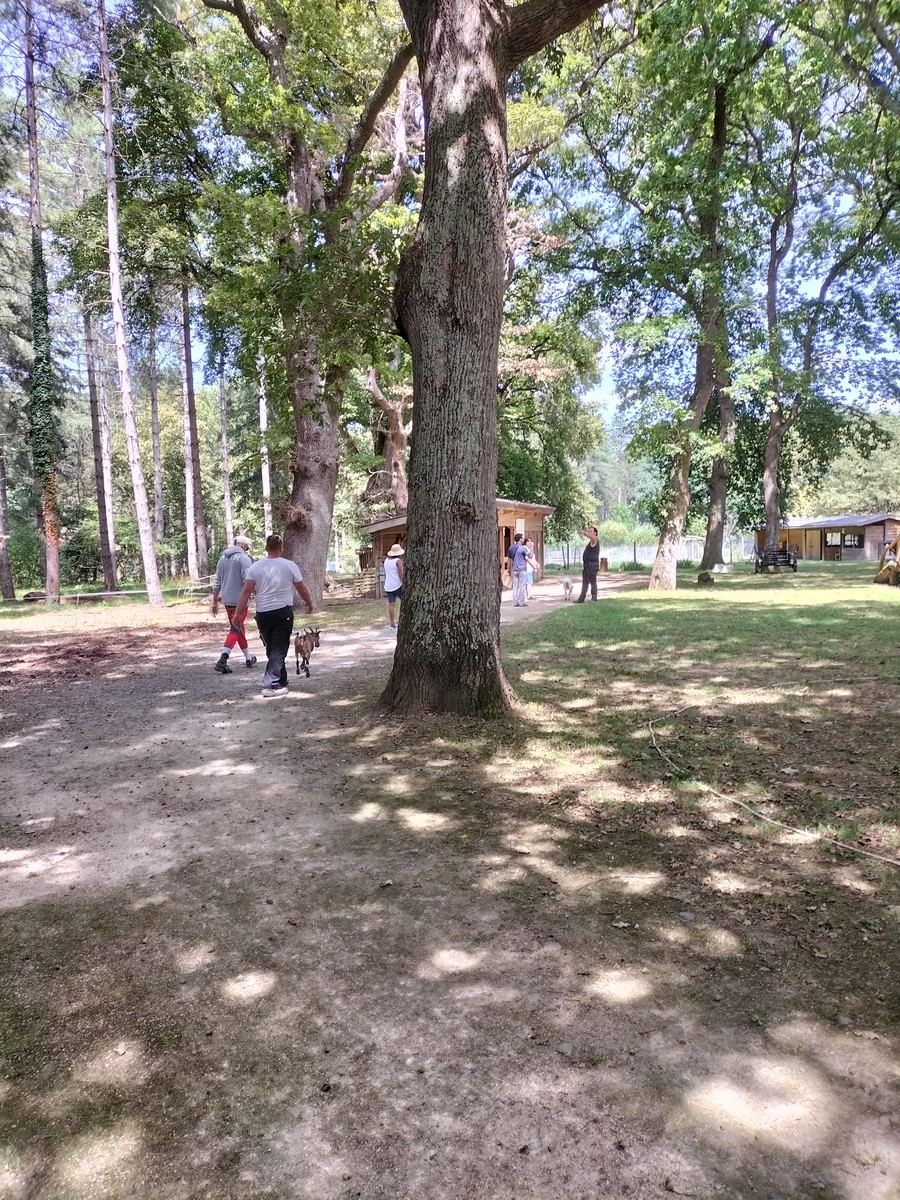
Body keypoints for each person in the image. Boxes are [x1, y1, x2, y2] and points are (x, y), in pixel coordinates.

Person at [231, 533, 314, 698]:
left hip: (263, 613)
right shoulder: (289, 565)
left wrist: (238, 613)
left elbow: (246, 591)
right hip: (283, 612)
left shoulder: (255, 567)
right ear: (281, 548)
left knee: (272, 647)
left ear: (266, 549)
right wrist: (309, 602)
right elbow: (301, 588)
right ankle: (270, 685)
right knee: (278, 648)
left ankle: (281, 679)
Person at [211, 536, 257, 674]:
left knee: (238, 628)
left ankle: (249, 658)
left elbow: (217, 582)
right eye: (247, 547)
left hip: (227, 600)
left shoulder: (222, 559)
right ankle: (223, 659)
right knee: (235, 630)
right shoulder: (244, 559)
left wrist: (214, 602)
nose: (247, 550)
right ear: (243, 546)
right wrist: (257, 593)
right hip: (240, 601)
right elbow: (248, 580)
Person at [574, 526, 600, 602]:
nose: (589, 532)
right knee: (585, 582)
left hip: (592, 565)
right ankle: (581, 598)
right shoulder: (590, 542)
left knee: (593, 582)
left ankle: (594, 598)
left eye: (591, 531)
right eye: (589, 531)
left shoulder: (595, 540)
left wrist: (584, 533)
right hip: (587, 565)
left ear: (595, 533)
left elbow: (591, 537)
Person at [383, 542, 404, 629]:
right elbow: (400, 574)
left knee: (391, 605)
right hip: (397, 585)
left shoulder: (386, 560)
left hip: (388, 586)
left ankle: (392, 623)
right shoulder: (398, 561)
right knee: (405, 602)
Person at [506, 534, 530, 607]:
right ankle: (521, 602)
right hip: (522, 569)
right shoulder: (522, 548)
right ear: (520, 539)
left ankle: (515, 602)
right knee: (522, 586)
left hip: (515, 569)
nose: (523, 539)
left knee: (515, 586)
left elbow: (509, 560)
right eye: (522, 538)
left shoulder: (510, 548)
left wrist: (509, 570)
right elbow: (528, 557)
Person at [524, 537, 540, 601]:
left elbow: (533, 559)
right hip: (527, 569)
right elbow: (528, 559)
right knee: (528, 584)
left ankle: (527, 596)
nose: (530, 543)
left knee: (528, 583)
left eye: (530, 541)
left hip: (530, 569)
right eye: (528, 542)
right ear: (525, 543)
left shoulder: (530, 550)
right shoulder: (525, 550)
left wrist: (536, 564)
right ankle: (528, 596)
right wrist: (533, 565)